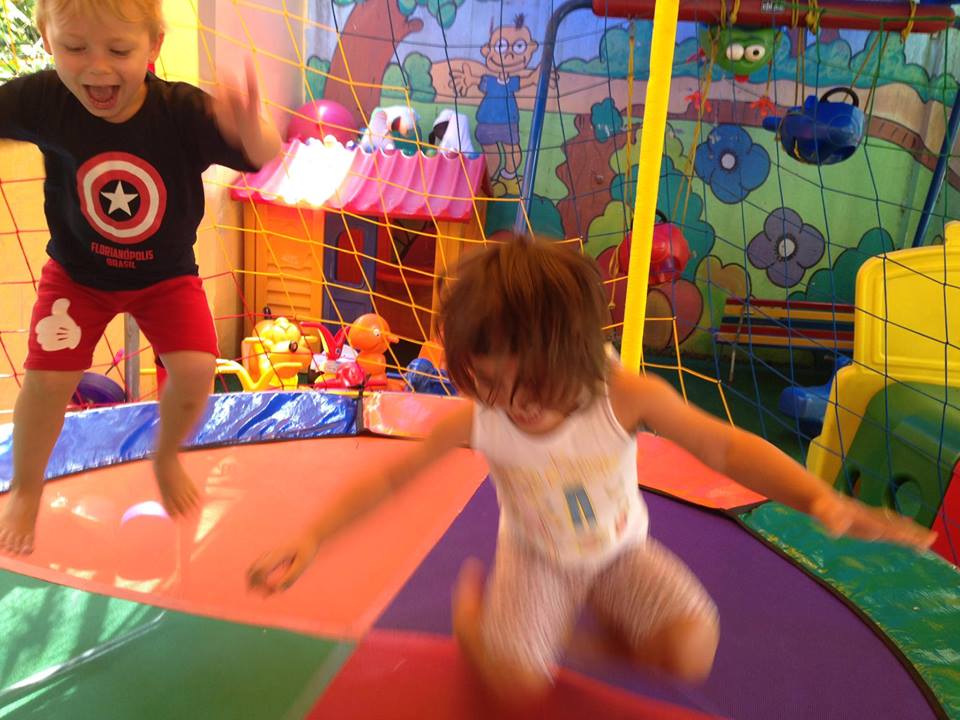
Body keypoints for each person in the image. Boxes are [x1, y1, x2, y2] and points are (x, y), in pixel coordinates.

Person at [247, 237, 935, 705]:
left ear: (572, 356)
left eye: (528, 387)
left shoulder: (620, 395)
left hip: (616, 550)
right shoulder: (484, 414)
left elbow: (725, 448)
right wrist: (312, 535)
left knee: (692, 649)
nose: (512, 406)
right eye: (488, 386)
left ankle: (584, 632)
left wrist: (822, 501)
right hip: (537, 555)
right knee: (515, 685)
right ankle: (480, 626)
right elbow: (390, 478)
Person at [0, 0, 281, 555]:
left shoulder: (179, 111)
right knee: (47, 380)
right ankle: (26, 488)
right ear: (48, 42)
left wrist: (249, 128)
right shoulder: (43, 99)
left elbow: (264, 153)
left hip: (165, 277)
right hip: (77, 275)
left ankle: (166, 454)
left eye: (118, 50)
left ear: (153, 47)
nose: (97, 67)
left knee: (196, 370)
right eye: (74, 48)